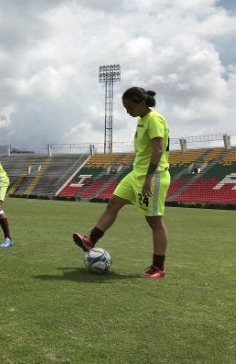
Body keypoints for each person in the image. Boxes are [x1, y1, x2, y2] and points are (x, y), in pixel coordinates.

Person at [72, 87, 170, 279]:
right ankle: (91, 240)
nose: (127, 111)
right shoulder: (142, 119)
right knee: (113, 204)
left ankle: (158, 267)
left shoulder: (154, 119)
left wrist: (149, 178)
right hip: (136, 174)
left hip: (153, 176)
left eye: (129, 107)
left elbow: (158, 150)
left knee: (154, 222)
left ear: (141, 102)